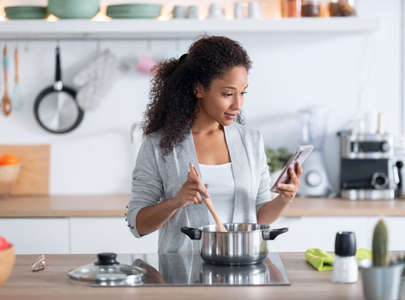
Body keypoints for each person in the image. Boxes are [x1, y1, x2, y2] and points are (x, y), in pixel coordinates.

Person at [126, 36, 302, 253]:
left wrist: (284, 198)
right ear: (199, 89)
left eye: (242, 92)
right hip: (182, 275)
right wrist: (177, 201)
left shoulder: (251, 140)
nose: (238, 104)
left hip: (243, 268)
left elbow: (259, 218)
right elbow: (138, 225)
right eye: (228, 94)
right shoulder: (159, 145)